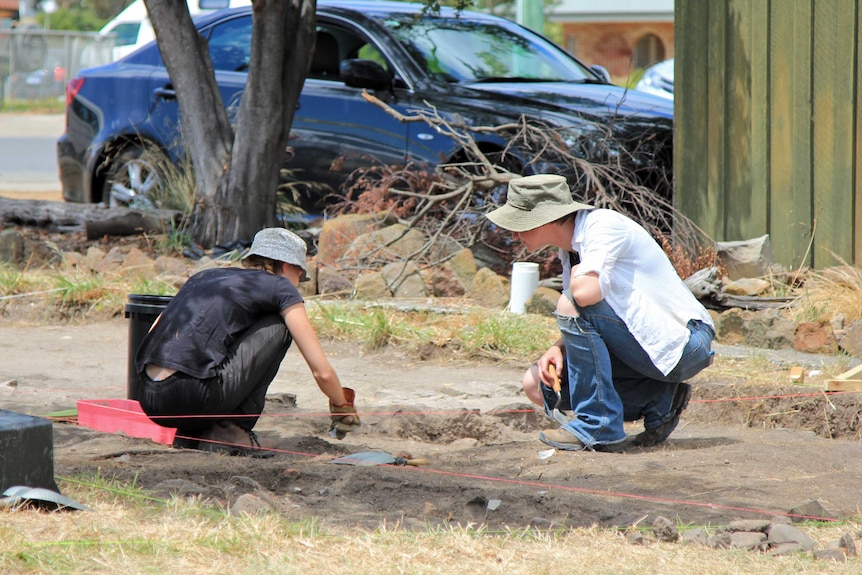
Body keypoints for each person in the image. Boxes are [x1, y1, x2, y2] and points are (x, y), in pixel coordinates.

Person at [486, 174, 715, 452]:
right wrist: (559, 347)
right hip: (645, 345)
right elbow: (594, 309)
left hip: (685, 342)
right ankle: (657, 398)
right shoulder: (570, 249)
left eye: (518, 225)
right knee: (536, 384)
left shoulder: (603, 226)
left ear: (544, 219)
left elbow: (585, 295)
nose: (513, 234)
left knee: (569, 302)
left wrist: (571, 305)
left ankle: (598, 425)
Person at [135, 227, 360, 457]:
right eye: (301, 276)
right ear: (287, 266)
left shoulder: (204, 276)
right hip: (194, 396)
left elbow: (156, 331)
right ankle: (231, 430)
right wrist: (341, 405)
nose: (299, 283)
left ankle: (190, 433)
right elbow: (322, 372)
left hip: (149, 396)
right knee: (280, 325)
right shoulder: (280, 286)